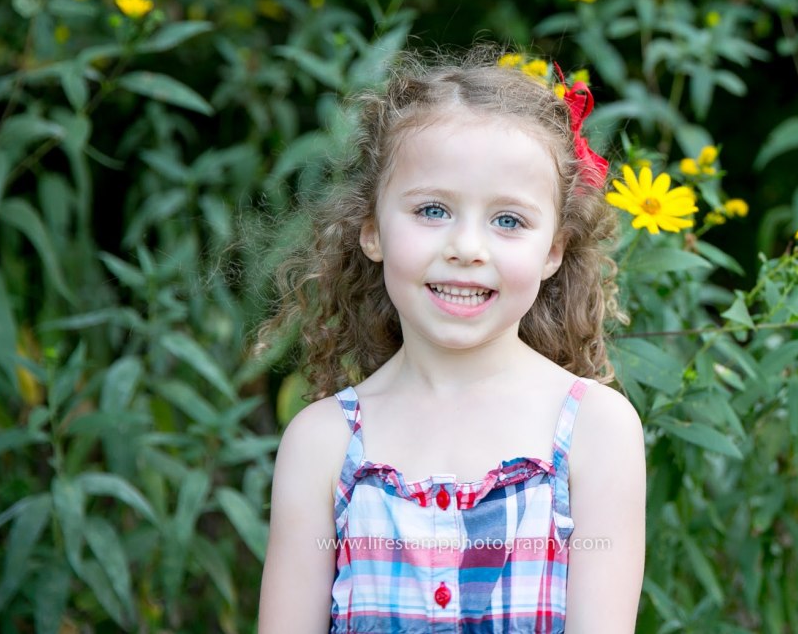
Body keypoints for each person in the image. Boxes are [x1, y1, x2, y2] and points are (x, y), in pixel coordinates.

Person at [256, 48, 646, 633]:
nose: (467, 246)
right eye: (433, 209)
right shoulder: (324, 444)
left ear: (554, 251)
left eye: (508, 220)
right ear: (372, 232)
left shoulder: (594, 430)